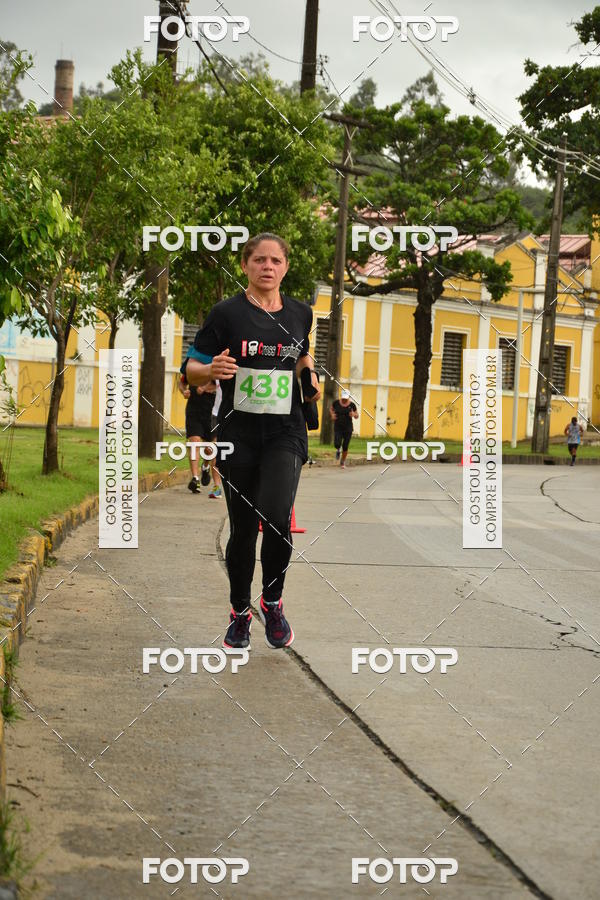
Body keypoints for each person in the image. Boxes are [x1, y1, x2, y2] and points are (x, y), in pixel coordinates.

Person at [182, 233, 321, 650]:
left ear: (285, 267)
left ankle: (272, 602)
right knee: (243, 530)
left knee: (277, 518)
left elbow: (301, 352)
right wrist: (211, 370)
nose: (267, 266)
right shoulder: (226, 314)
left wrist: (308, 374)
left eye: (275, 260)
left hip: (285, 431)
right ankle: (240, 613)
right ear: (245, 265)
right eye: (259, 259)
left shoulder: (301, 313)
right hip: (239, 433)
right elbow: (192, 368)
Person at [178, 374, 222, 496]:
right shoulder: (193, 365)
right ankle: (195, 478)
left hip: (213, 411)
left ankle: (205, 467)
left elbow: (218, 383)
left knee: (211, 449)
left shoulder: (218, 364)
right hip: (194, 409)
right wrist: (184, 391)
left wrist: (205, 387)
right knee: (194, 442)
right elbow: (181, 382)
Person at [330, 389, 358, 468]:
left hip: (348, 428)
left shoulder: (352, 405)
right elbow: (331, 409)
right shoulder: (336, 403)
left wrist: (353, 414)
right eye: (343, 398)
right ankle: (338, 450)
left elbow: (357, 415)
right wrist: (332, 415)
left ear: (348, 397)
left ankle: (342, 462)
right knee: (337, 443)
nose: (344, 400)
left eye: (346, 398)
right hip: (338, 426)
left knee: (345, 445)